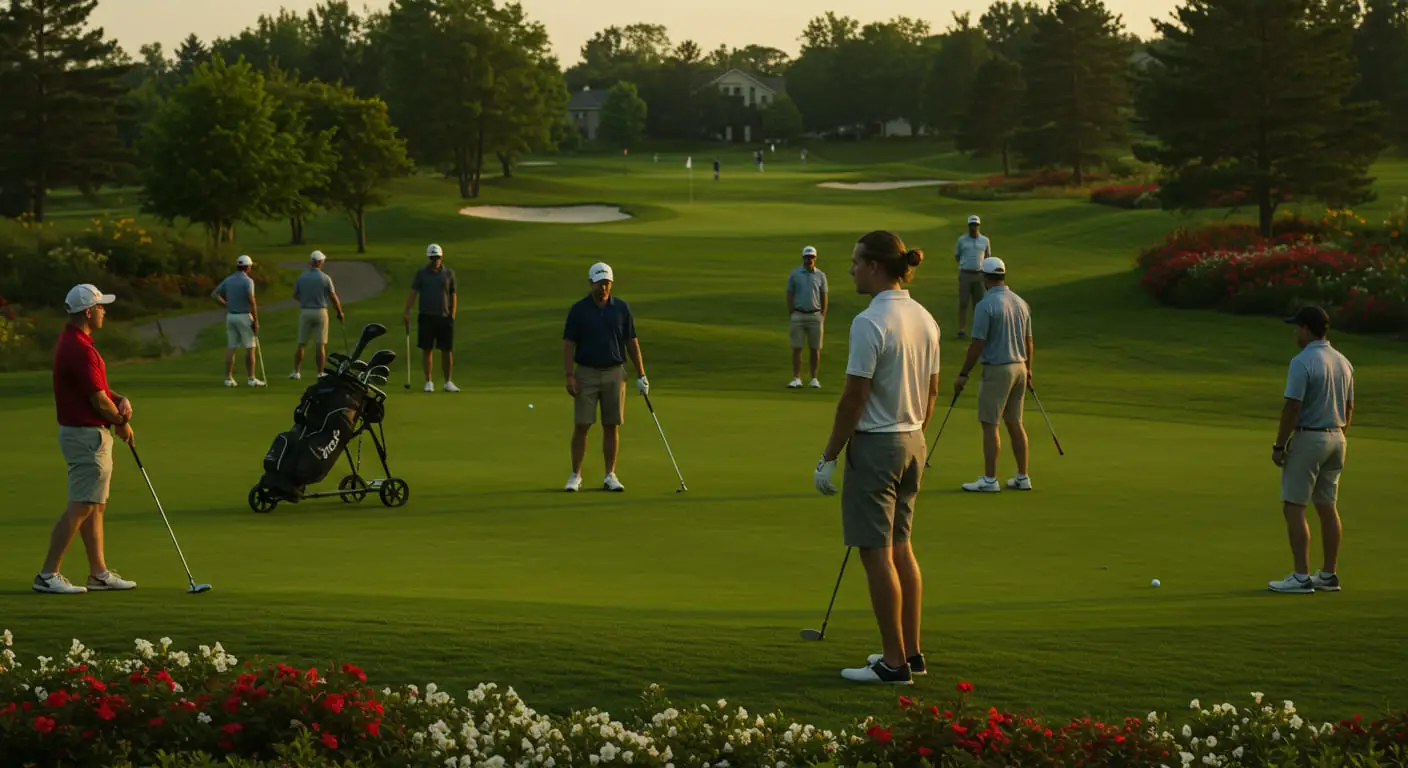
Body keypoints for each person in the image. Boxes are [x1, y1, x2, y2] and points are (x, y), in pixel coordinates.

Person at [813, 231, 941, 686]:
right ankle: (912, 652)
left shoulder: (869, 321)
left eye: (855, 262)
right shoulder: (925, 317)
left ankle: (892, 664)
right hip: (912, 441)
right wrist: (912, 434)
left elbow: (853, 397)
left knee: (876, 554)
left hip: (877, 445)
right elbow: (932, 393)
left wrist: (829, 456)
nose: (850, 269)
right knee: (902, 547)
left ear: (874, 267)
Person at [35, 284, 139, 594]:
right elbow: (97, 401)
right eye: (101, 307)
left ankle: (99, 574)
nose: (105, 311)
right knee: (81, 506)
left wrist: (119, 398)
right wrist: (121, 421)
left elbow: (99, 390)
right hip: (85, 436)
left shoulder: (77, 342)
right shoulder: (78, 348)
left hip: (88, 433)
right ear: (88, 312)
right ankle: (47, 575)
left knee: (94, 506)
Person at [1268, 305, 1354, 595]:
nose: (1295, 333)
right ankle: (1329, 575)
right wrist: (1338, 436)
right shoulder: (1343, 362)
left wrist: (1280, 445)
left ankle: (1301, 577)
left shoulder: (1302, 361)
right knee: (1327, 506)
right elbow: (1350, 407)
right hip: (1337, 437)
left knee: (1294, 506)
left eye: (1297, 328)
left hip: (1310, 438)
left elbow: (1293, 406)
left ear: (1306, 329)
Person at [562, 262, 648, 493]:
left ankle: (610, 475)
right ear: (591, 283)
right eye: (600, 283)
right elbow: (569, 344)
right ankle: (575, 475)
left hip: (615, 372)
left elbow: (631, 341)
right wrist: (570, 375)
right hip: (587, 372)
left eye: (607, 283)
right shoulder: (579, 310)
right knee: (582, 424)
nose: (604, 288)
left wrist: (641, 374)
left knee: (611, 425)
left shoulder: (621, 309)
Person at [953, 257, 1034, 493]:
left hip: (998, 369)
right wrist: (1029, 369)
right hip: (1020, 367)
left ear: (984, 278)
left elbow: (978, 343)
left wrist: (963, 373)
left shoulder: (985, 305)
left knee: (990, 423)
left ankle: (990, 479)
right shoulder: (1021, 302)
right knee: (1015, 422)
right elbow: (1030, 340)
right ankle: (1022, 476)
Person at [402, 243, 459, 393]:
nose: (436, 260)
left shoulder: (448, 274)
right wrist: (407, 311)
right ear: (429, 258)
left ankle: (448, 382)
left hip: (444, 316)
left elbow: (453, 294)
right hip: (426, 316)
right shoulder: (421, 273)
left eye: (438, 257)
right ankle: (429, 381)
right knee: (427, 350)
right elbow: (413, 293)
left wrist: (452, 314)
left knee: (447, 350)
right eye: (433, 257)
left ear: (441, 257)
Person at [211, 254, 266, 388]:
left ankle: (228, 378)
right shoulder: (248, 281)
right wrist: (256, 320)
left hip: (231, 316)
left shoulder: (229, 279)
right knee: (250, 348)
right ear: (247, 267)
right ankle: (251, 378)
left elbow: (214, 294)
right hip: (244, 316)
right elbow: (252, 301)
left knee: (232, 348)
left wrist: (226, 304)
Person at [289, 250, 345, 380]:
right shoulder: (325, 278)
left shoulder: (302, 277)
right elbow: (332, 296)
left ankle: (296, 372)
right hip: (320, 311)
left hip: (305, 311)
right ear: (320, 262)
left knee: (301, 343)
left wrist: (305, 300)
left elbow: (296, 295)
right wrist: (339, 312)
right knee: (320, 345)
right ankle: (320, 373)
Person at [786, 245, 828, 388]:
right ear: (803, 258)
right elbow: (790, 294)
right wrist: (791, 312)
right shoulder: (795, 274)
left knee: (815, 348)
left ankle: (814, 378)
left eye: (811, 257)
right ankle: (797, 378)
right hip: (798, 314)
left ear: (815, 258)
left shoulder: (821, 275)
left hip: (815, 315)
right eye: (806, 257)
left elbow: (824, 295)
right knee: (797, 348)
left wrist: (823, 314)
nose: (809, 259)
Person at [953, 215, 993, 339]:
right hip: (965, 274)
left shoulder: (985, 240)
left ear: (979, 226)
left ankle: (979, 331)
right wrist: (965, 265)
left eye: (975, 225)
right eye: (971, 225)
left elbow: (987, 257)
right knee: (963, 302)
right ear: (968, 226)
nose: (973, 227)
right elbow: (957, 256)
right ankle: (961, 330)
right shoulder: (962, 240)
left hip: (980, 275)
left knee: (979, 305)